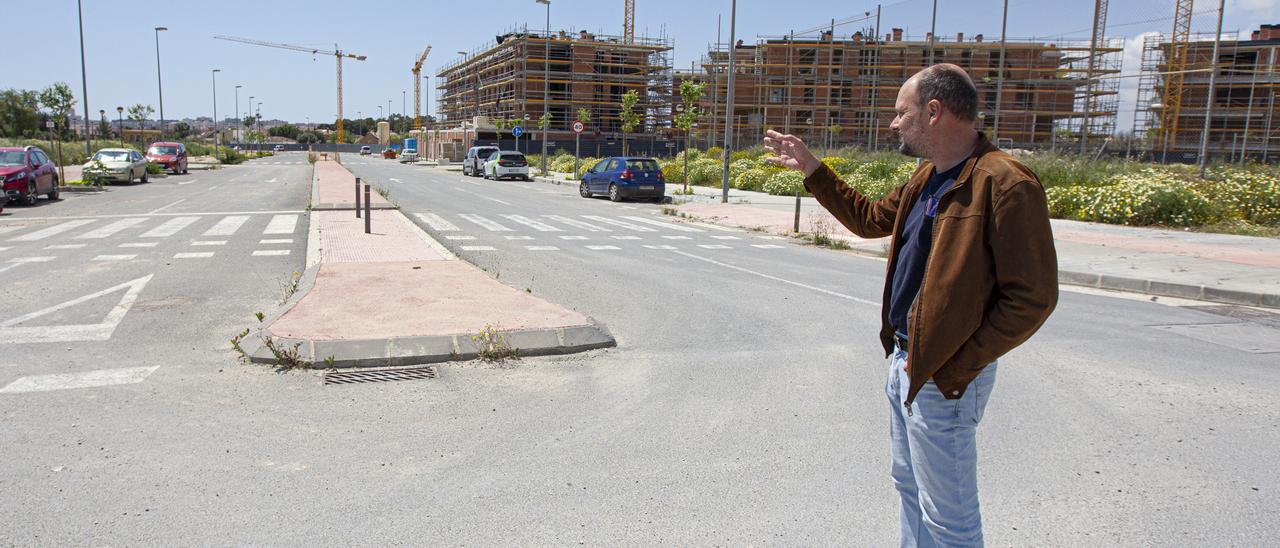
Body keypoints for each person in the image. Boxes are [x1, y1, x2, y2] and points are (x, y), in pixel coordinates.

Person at [764, 63, 1058, 546]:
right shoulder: (928, 176)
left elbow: (1033, 298)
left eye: (902, 113)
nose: (894, 123)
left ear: (934, 111)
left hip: (942, 373)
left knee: (949, 519)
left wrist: (957, 362)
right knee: (910, 489)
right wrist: (813, 170)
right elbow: (868, 219)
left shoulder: (1005, 183)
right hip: (906, 361)